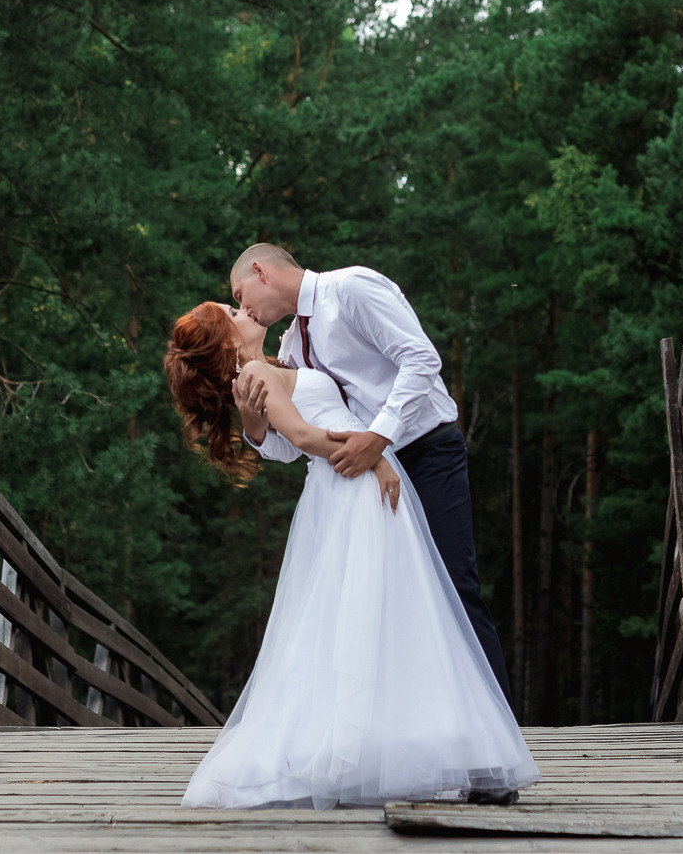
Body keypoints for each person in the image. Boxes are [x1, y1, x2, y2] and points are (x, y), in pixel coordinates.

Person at [164, 301, 537, 809]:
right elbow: (298, 437)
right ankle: (396, 747)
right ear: (227, 339)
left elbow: (293, 435)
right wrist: (375, 456)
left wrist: (262, 430)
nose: (241, 306)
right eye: (231, 309)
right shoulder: (253, 371)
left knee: (373, 614)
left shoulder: (271, 363)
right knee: (385, 610)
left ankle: (385, 744)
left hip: (346, 482)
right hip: (352, 480)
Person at [229, 243, 513, 705]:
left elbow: (421, 359)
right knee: (395, 608)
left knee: (455, 589)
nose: (246, 310)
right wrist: (255, 428)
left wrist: (379, 437)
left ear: (261, 272)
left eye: (242, 296)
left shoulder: (351, 288)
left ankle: (496, 752)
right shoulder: (290, 346)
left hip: (426, 452)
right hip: (369, 482)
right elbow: (297, 442)